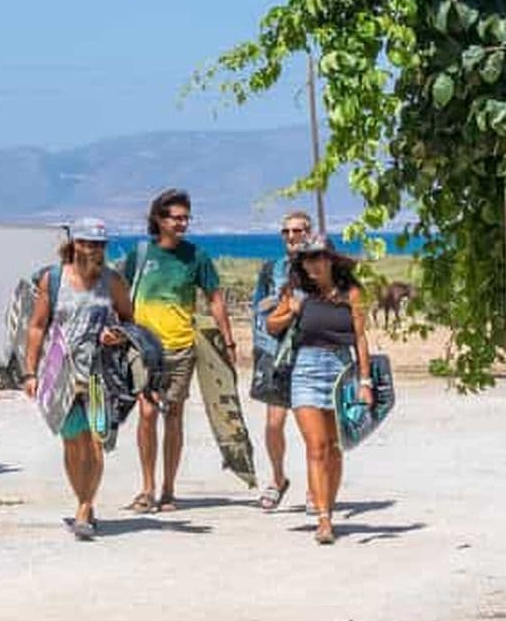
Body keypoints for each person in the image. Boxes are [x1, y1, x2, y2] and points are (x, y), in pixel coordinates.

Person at [122, 188, 236, 512]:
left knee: (173, 416)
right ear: (159, 219)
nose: (183, 223)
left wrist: (227, 342)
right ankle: (147, 488)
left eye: (187, 217)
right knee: (146, 414)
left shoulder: (196, 256)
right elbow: (120, 294)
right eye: (177, 217)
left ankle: (169, 490)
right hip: (143, 348)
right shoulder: (140, 255)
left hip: (181, 347)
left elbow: (215, 298)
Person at [24, 217, 133, 541]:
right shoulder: (53, 280)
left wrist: (119, 335)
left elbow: (130, 321)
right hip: (61, 375)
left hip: (99, 373)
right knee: (73, 443)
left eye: (99, 244)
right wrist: (30, 372)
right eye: (87, 242)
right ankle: (82, 500)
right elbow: (37, 326)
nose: (93, 249)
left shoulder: (113, 282)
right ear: (74, 244)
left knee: (96, 440)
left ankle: (85, 507)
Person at [266, 234, 373, 545]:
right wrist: (292, 311)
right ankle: (323, 519)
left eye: (319, 257)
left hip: (342, 370)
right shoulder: (296, 293)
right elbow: (272, 325)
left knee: (336, 447)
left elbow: (361, 338)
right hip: (306, 371)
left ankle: (329, 504)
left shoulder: (351, 293)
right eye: (308, 258)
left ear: (331, 260)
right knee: (316, 446)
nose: (313, 263)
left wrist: (365, 382)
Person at [250, 211, 312, 512]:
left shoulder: (320, 267)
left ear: (308, 233)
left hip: (311, 352)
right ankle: (278, 479)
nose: (291, 237)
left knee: (310, 425)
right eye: (286, 231)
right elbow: (258, 311)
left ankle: (316, 487)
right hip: (277, 352)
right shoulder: (271, 270)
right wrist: (260, 350)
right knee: (274, 423)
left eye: (297, 231)